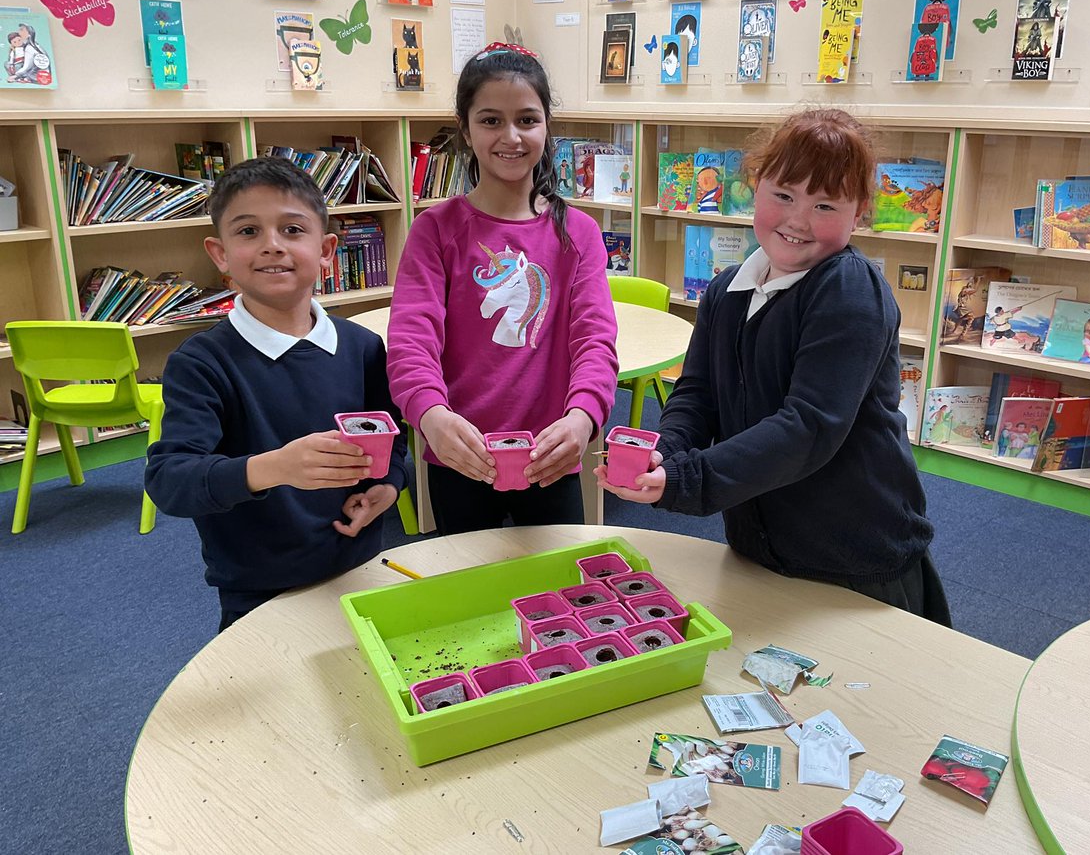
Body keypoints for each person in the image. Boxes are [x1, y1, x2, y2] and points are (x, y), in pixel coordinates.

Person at [597, 107, 950, 625]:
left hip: (854, 554)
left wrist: (688, 479)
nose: (798, 220)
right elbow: (697, 395)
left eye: (826, 204)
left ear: (859, 214)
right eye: (783, 195)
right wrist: (662, 452)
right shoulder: (726, 290)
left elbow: (808, 426)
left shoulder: (849, 289)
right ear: (755, 187)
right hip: (762, 539)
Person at [145, 158, 409, 632]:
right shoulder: (202, 363)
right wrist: (275, 468)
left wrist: (387, 486)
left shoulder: (363, 348)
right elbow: (170, 480)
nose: (272, 246)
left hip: (360, 568)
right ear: (220, 254)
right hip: (259, 592)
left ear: (326, 250)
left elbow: (393, 441)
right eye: (247, 232)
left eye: (292, 229)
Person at [386, 42, 618, 534]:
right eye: (491, 120)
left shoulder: (576, 233)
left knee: (559, 587)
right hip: (460, 454)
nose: (510, 137)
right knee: (466, 591)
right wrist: (430, 416)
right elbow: (411, 342)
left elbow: (595, 342)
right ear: (465, 128)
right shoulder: (436, 230)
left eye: (527, 120)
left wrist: (583, 419)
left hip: (550, 455)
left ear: (547, 126)